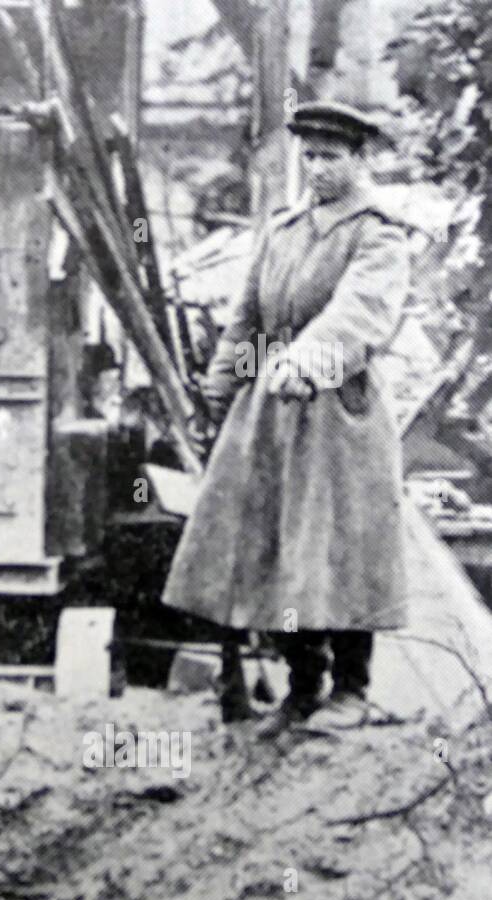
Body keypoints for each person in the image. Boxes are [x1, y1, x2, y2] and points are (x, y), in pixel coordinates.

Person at [162, 102, 412, 736]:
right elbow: (246, 318)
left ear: (361, 160)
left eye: (332, 156)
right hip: (268, 413)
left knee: (343, 544)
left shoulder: (378, 231)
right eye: (310, 154)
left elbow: (361, 311)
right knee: (273, 542)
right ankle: (302, 688)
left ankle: (350, 688)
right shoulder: (281, 229)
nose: (318, 167)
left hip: (339, 412)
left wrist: (307, 360)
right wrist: (219, 392)